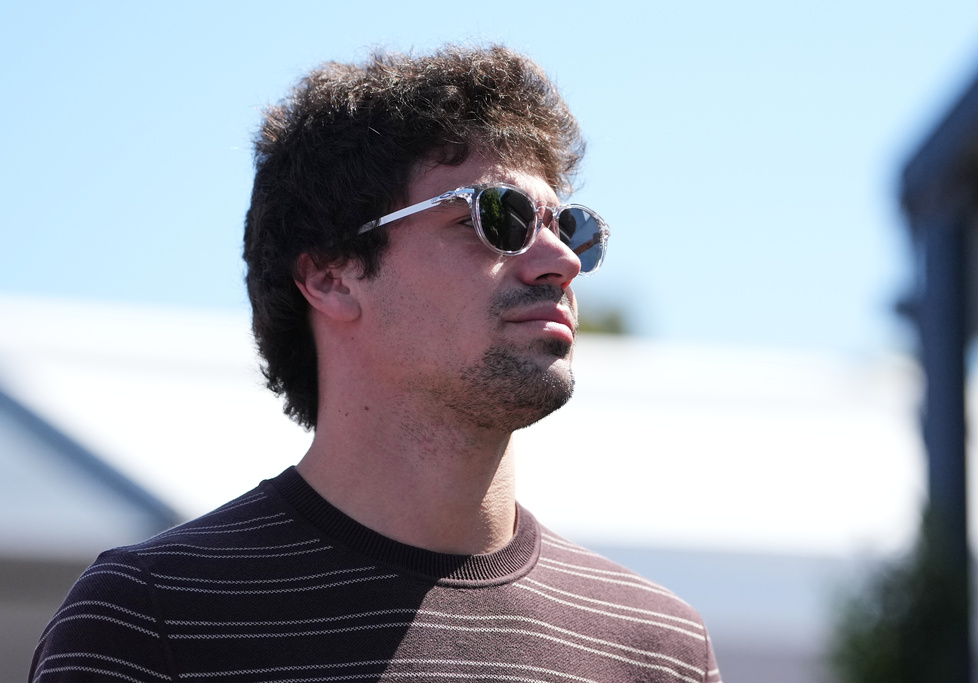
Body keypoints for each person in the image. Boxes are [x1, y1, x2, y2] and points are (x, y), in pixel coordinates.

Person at [30, 45, 721, 683]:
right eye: (499, 216)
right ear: (331, 275)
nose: (562, 261)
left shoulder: (658, 650)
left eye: (569, 226)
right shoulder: (152, 621)